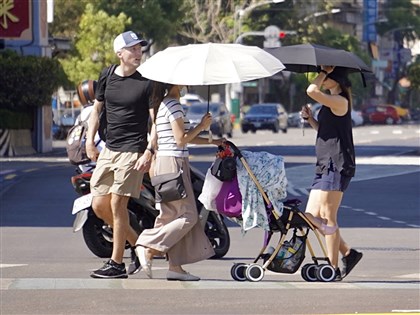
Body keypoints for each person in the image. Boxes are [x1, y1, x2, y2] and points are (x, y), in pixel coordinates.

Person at [135, 82, 224, 281]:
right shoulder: (174, 105)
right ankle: (147, 245)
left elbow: (183, 138)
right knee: (189, 215)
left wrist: (213, 141)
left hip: (164, 163)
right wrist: (202, 126)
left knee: (170, 217)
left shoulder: (163, 105)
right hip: (174, 163)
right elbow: (181, 139)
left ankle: (175, 267)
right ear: (176, 82)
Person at [86, 30, 155, 279]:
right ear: (120, 53)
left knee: (117, 203)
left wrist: (149, 150)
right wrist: (89, 142)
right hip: (109, 149)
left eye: (140, 48)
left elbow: (154, 121)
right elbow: (97, 110)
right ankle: (139, 246)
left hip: (133, 150)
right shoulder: (106, 75)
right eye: (133, 49)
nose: (139, 53)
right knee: (98, 204)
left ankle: (117, 264)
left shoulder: (146, 81)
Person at [301, 65, 363, 281]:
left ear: (335, 79)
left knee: (327, 218)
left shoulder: (340, 102)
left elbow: (311, 90)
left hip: (336, 165)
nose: (324, 80)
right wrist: (310, 119)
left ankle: (332, 268)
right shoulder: (330, 103)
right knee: (311, 217)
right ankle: (348, 253)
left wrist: (323, 73)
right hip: (324, 164)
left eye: (327, 77)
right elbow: (325, 130)